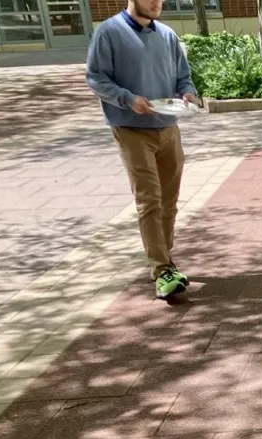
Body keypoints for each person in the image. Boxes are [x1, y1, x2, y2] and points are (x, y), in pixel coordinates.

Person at [85, 0, 195, 300]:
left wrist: (188, 92)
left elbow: (183, 77)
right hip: (130, 129)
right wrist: (126, 98)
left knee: (169, 201)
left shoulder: (168, 36)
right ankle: (162, 270)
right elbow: (95, 78)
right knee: (150, 201)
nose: (157, 2)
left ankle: (164, 260)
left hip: (168, 127)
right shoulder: (108, 33)